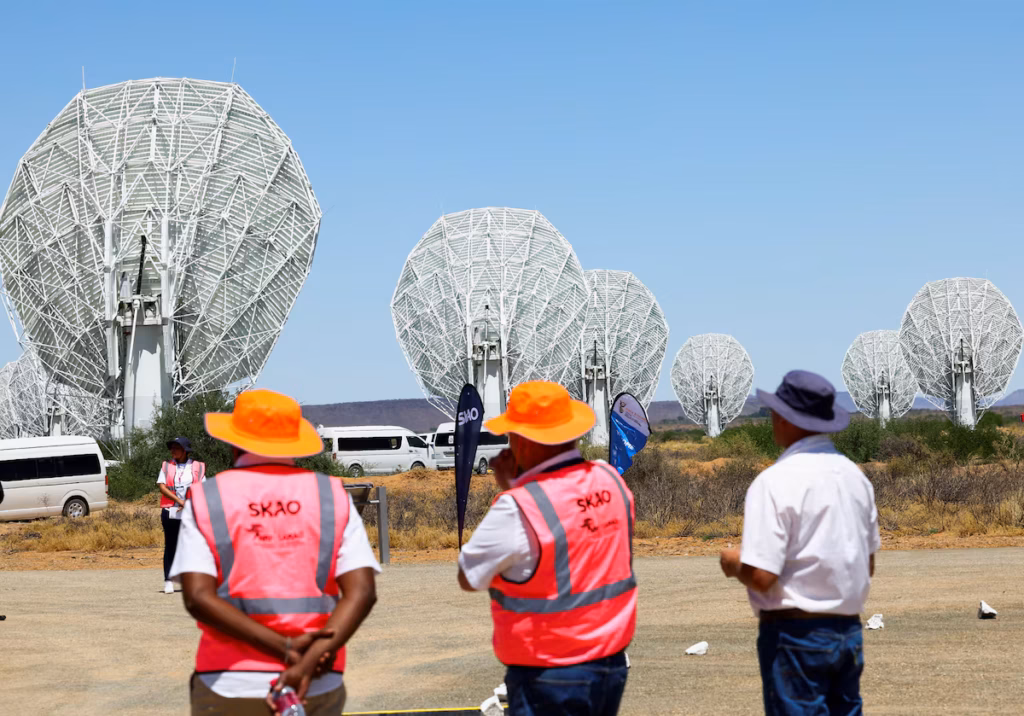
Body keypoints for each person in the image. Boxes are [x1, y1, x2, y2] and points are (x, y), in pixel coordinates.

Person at [171, 389, 379, 715]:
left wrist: (285, 648)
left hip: (228, 682)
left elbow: (198, 597)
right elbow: (363, 593)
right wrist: (306, 662)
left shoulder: (207, 498)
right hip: (316, 681)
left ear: (233, 440)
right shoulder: (332, 496)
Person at [457, 381, 636, 716]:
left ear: (523, 440)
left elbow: (470, 576)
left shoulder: (517, 507)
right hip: (611, 662)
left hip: (550, 673)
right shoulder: (611, 480)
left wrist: (514, 489)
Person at [720, 370, 881, 715]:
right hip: (847, 632)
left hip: (796, 636)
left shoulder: (774, 482)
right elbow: (866, 565)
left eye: (777, 412)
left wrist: (734, 563)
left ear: (787, 419)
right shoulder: (857, 478)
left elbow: (763, 577)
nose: (773, 418)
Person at [158, 437, 206, 594]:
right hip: (170, 511)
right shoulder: (166, 466)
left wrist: (189, 503)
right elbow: (162, 486)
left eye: (176, 448)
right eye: (171, 448)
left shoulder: (198, 466)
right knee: (171, 546)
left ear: (184, 450)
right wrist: (179, 501)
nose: (172, 451)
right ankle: (168, 580)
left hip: (191, 511)